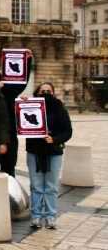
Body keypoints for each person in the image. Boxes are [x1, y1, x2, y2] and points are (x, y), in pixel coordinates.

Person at [26, 82, 73, 229]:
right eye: (42, 90)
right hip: (35, 151)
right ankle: (36, 216)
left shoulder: (60, 108)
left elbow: (68, 131)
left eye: (48, 90)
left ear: (53, 93)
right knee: (36, 185)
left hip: (54, 152)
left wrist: (55, 139)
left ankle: (50, 216)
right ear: (37, 92)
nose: (45, 93)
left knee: (51, 186)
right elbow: (21, 122)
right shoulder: (30, 106)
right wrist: (22, 104)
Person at [0, 55, 28, 176]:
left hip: (9, 137)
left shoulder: (9, 94)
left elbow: (22, 82)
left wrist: (27, 60)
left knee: (9, 169)